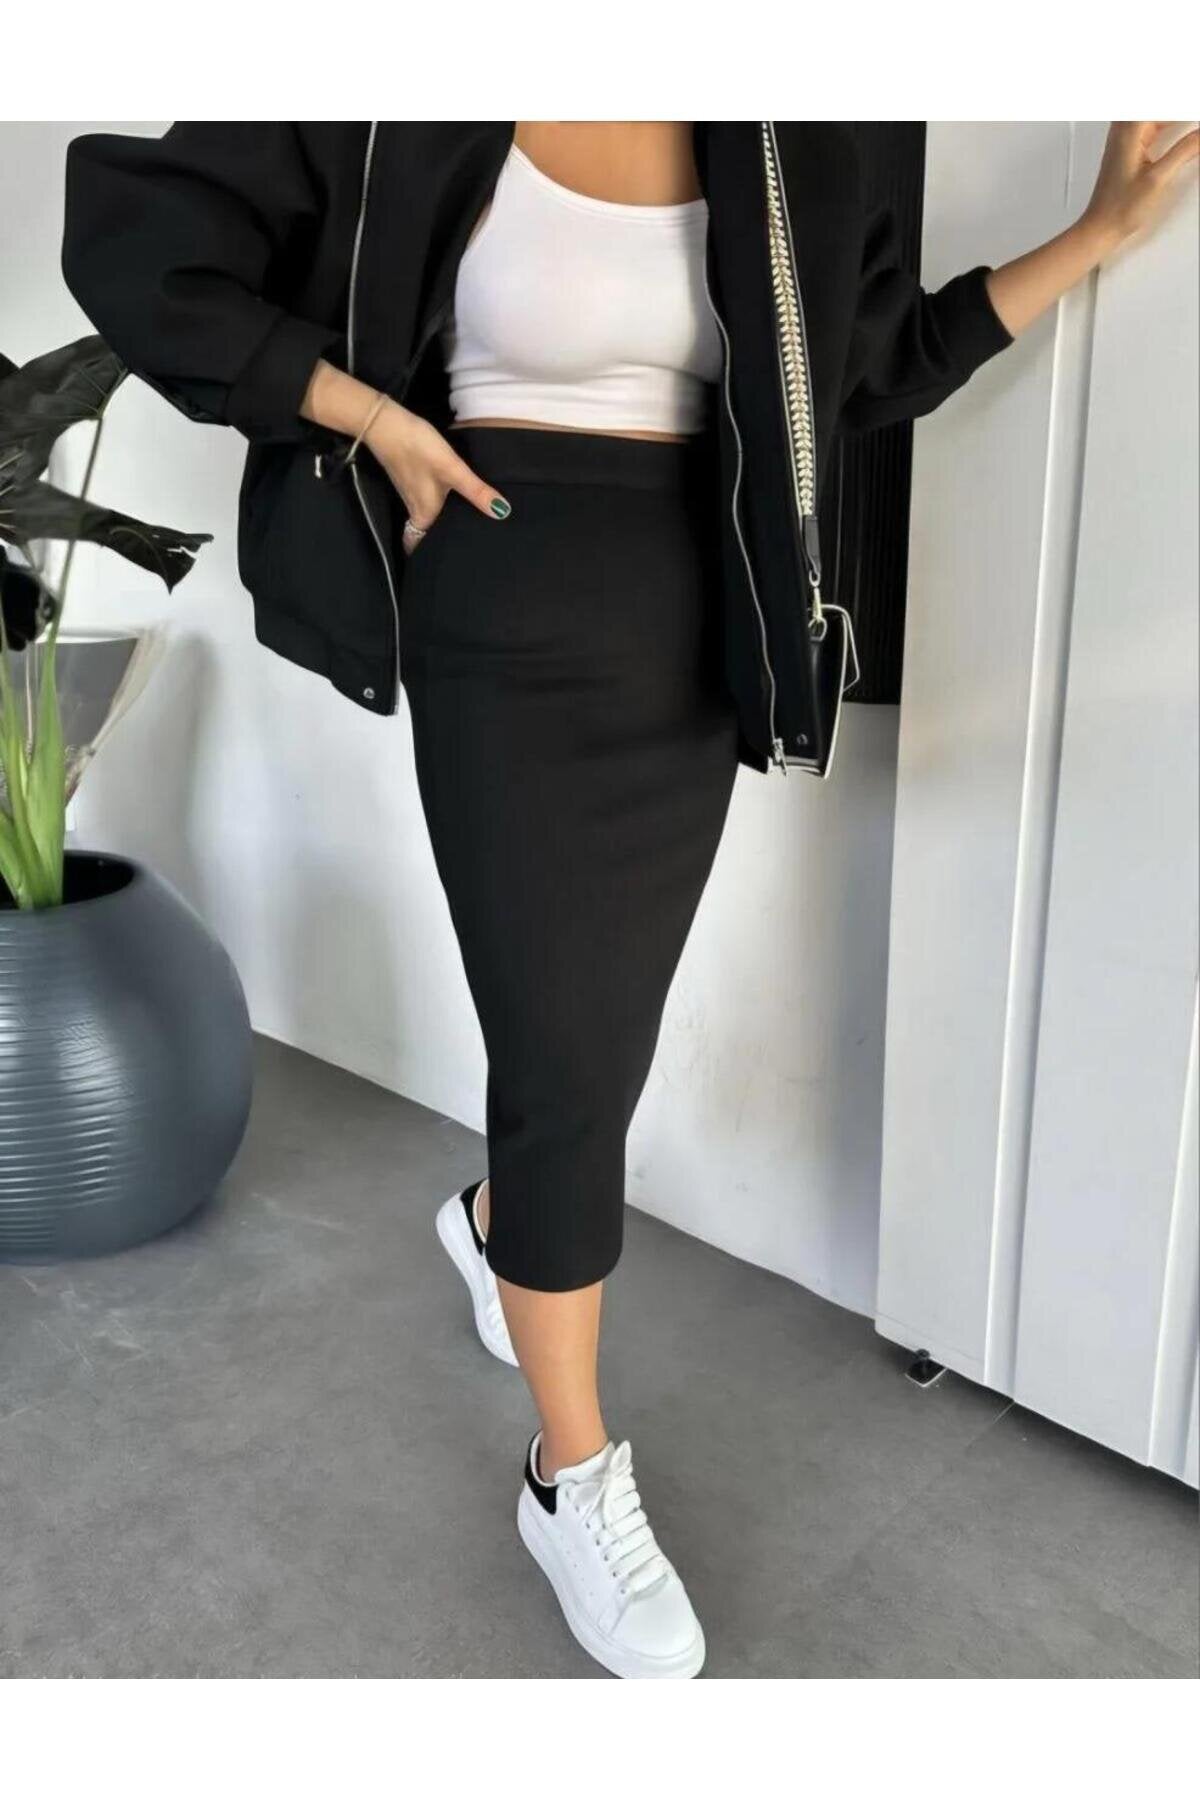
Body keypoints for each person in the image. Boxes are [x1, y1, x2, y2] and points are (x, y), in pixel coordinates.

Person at [61, 119, 1198, 1679]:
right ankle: (569, 1471)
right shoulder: (397, 86)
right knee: (563, 1067)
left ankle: (494, 1227)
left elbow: (874, 371)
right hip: (496, 613)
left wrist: (1098, 233)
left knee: (603, 1040)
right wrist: (372, 417)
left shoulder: (797, 135)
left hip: (690, 640)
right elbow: (135, 245)